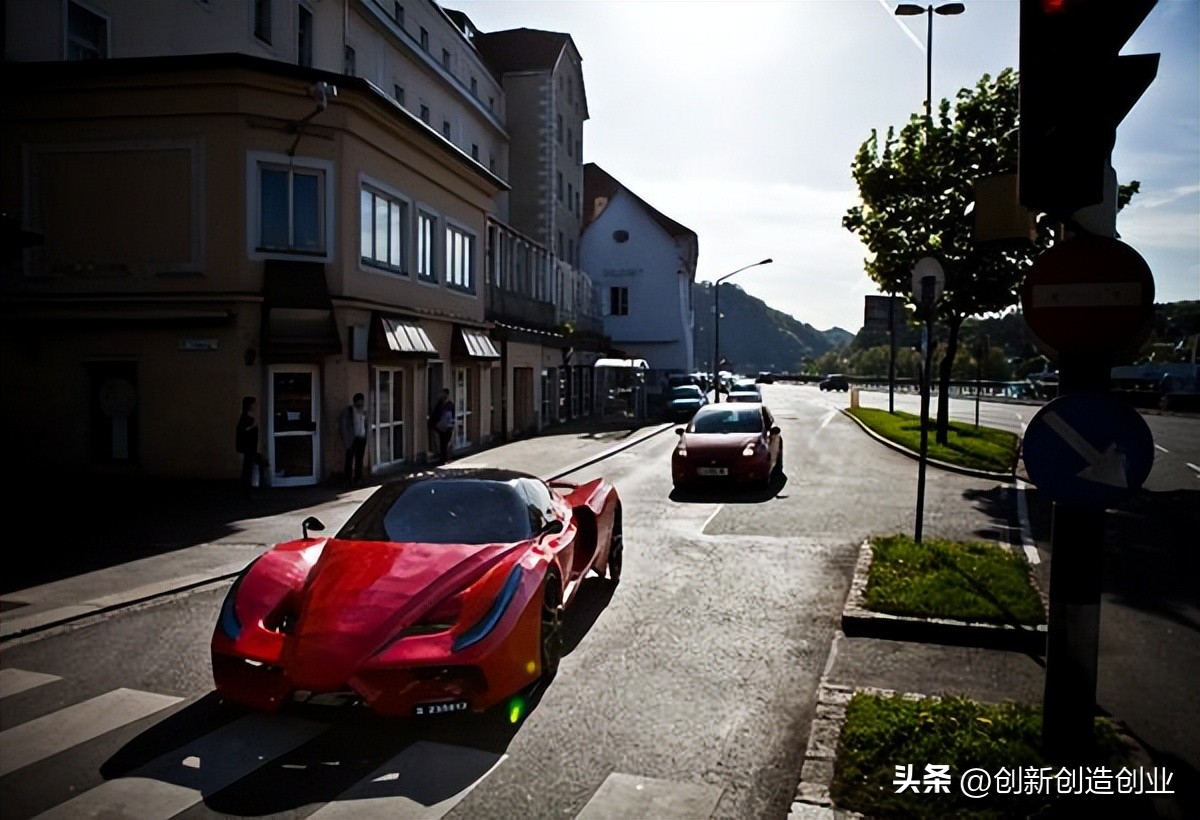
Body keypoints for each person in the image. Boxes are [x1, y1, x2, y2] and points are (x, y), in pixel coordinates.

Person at [235, 396, 269, 500]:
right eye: (253, 403)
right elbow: (242, 431)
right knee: (248, 469)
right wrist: (252, 426)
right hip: (248, 448)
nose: (255, 405)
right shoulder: (245, 418)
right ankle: (248, 492)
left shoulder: (248, 417)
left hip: (251, 448)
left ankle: (248, 489)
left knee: (249, 468)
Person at [339, 392, 368, 485]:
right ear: (355, 402)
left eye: (362, 401)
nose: (362, 403)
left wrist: (366, 436)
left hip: (362, 438)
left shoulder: (364, 411)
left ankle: (358, 478)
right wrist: (346, 440)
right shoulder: (348, 411)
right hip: (352, 439)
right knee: (349, 459)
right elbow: (343, 426)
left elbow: (366, 424)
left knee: (359, 460)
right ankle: (347, 479)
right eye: (360, 401)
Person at [428, 387, 455, 463]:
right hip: (441, 426)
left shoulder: (450, 404)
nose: (444, 395)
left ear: (447, 394)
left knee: (446, 442)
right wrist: (435, 424)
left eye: (445, 394)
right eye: (443, 394)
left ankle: (445, 457)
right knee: (443, 442)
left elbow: (452, 415)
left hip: (448, 426)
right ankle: (443, 458)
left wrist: (452, 424)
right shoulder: (440, 403)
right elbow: (435, 414)